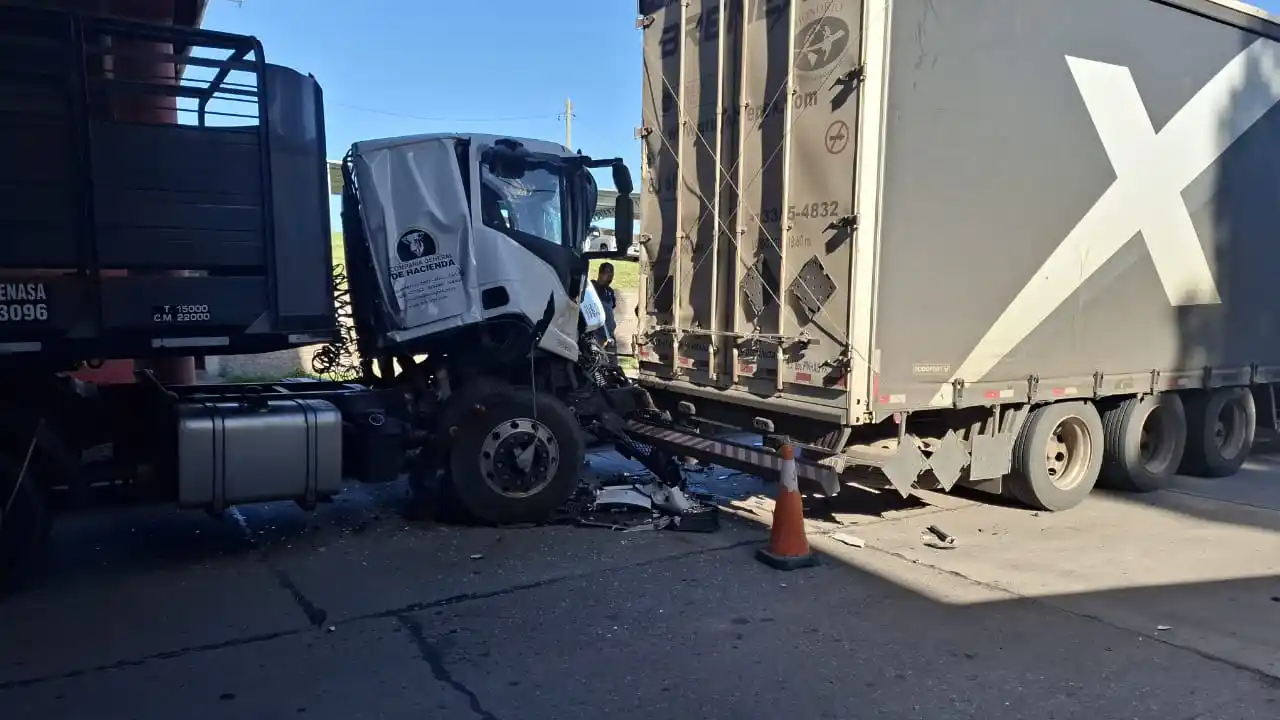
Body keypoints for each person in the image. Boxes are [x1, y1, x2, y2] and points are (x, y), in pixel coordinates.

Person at [592, 262, 618, 347]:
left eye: (612, 274)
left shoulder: (610, 291)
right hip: (597, 335)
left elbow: (612, 308)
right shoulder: (592, 287)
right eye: (607, 273)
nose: (610, 277)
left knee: (612, 359)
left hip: (610, 335)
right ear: (600, 273)